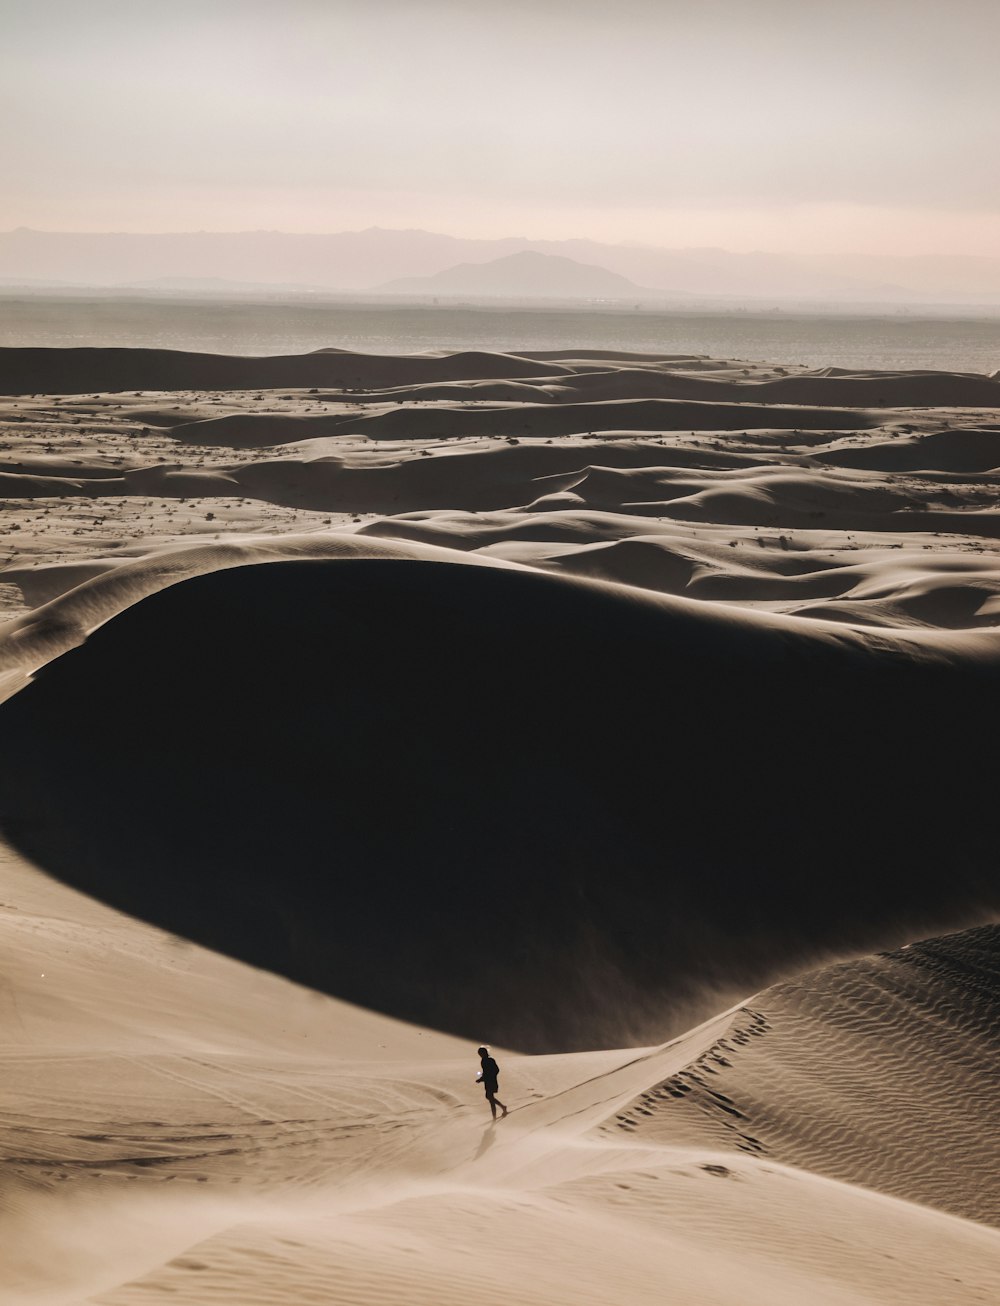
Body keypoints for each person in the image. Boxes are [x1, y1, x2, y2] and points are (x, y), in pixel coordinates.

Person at [476, 1045, 508, 1120]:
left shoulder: (489, 1060)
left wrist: (489, 1077)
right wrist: (482, 1079)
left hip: (491, 1081)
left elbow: (496, 1070)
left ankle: (495, 1115)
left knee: (489, 1097)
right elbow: (486, 1072)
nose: (480, 1055)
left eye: (481, 1053)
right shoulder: (484, 1061)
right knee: (490, 1097)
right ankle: (502, 1108)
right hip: (488, 1081)